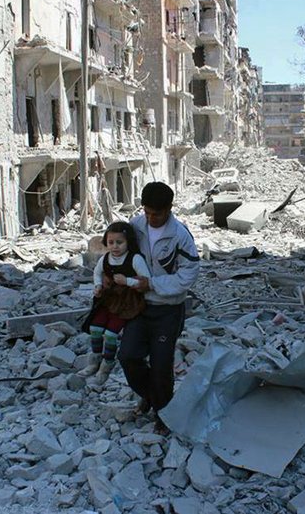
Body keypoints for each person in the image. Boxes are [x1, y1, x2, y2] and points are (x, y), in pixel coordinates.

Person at [118, 182, 200, 434]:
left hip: (168, 310)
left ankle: (164, 415)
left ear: (169, 209)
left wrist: (151, 284)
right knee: (128, 356)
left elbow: (189, 274)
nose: (152, 218)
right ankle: (152, 396)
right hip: (139, 308)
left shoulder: (180, 235)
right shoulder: (135, 228)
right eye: (148, 212)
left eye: (158, 214)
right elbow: (120, 256)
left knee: (161, 364)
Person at [81, 222, 151, 386]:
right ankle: (94, 362)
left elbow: (147, 280)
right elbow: (97, 273)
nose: (115, 246)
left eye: (120, 242)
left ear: (128, 242)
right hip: (108, 299)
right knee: (95, 329)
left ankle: (107, 364)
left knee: (111, 334)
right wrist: (97, 286)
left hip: (127, 303)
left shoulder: (135, 259)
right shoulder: (106, 259)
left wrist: (127, 281)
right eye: (111, 242)